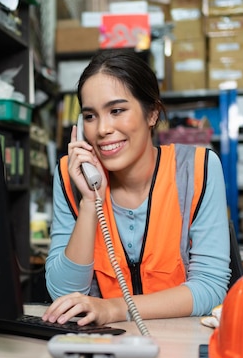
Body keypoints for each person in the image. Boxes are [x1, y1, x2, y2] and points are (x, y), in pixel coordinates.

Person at [42, 49, 231, 327]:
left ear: (152, 113)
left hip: (180, 342)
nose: (102, 129)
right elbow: (63, 294)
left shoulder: (198, 170)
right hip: (102, 345)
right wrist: (88, 203)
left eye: (116, 110)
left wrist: (114, 309)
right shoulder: (71, 175)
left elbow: (211, 287)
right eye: (91, 116)